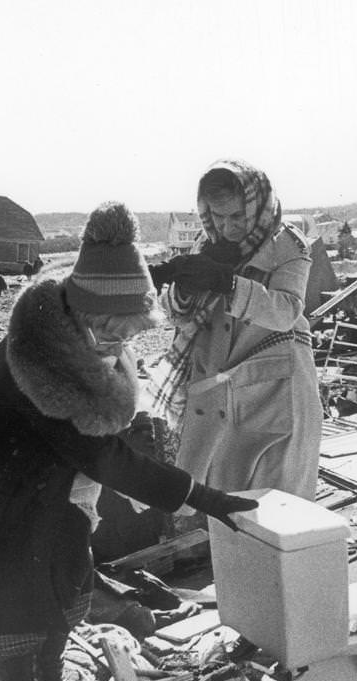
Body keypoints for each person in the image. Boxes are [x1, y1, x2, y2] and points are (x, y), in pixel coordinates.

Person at [0, 201, 257, 681]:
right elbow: (104, 456)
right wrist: (202, 496)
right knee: (9, 605)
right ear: (84, 317)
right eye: (111, 336)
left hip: (37, 486)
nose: (119, 347)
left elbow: (99, 441)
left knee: (64, 581)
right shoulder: (42, 369)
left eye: (127, 338)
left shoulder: (76, 330)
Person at [149, 159, 322, 504]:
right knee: (225, 505)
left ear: (256, 207)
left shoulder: (287, 244)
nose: (227, 228)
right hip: (218, 394)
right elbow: (178, 316)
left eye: (237, 217)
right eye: (218, 217)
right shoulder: (206, 244)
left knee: (279, 508)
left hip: (275, 394)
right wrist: (183, 285)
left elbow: (286, 310)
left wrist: (228, 284)